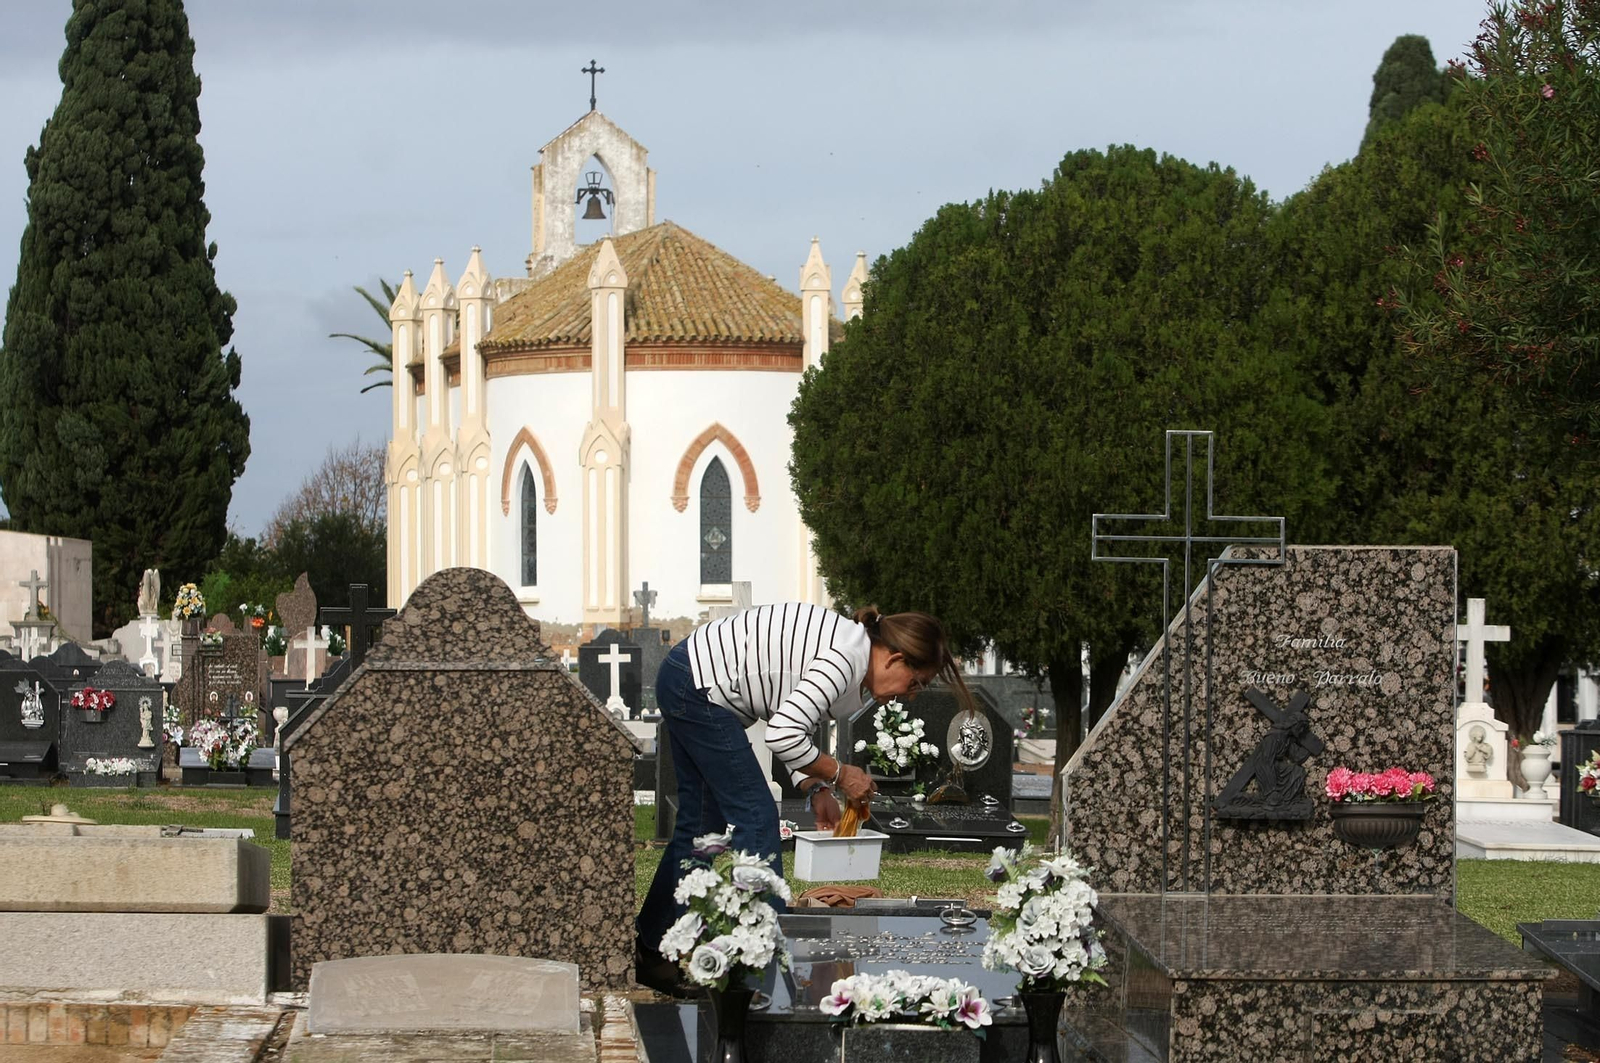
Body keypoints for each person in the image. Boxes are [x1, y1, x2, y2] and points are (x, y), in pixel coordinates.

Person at [634, 602, 974, 996]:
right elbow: (782, 735)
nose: (912, 697)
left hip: (688, 676)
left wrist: (814, 787)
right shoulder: (846, 658)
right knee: (757, 818)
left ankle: (651, 950)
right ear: (895, 659)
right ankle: (764, 978)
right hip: (698, 686)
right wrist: (841, 774)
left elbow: (786, 712)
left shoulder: (851, 650)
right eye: (916, 682)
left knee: (700, 824)